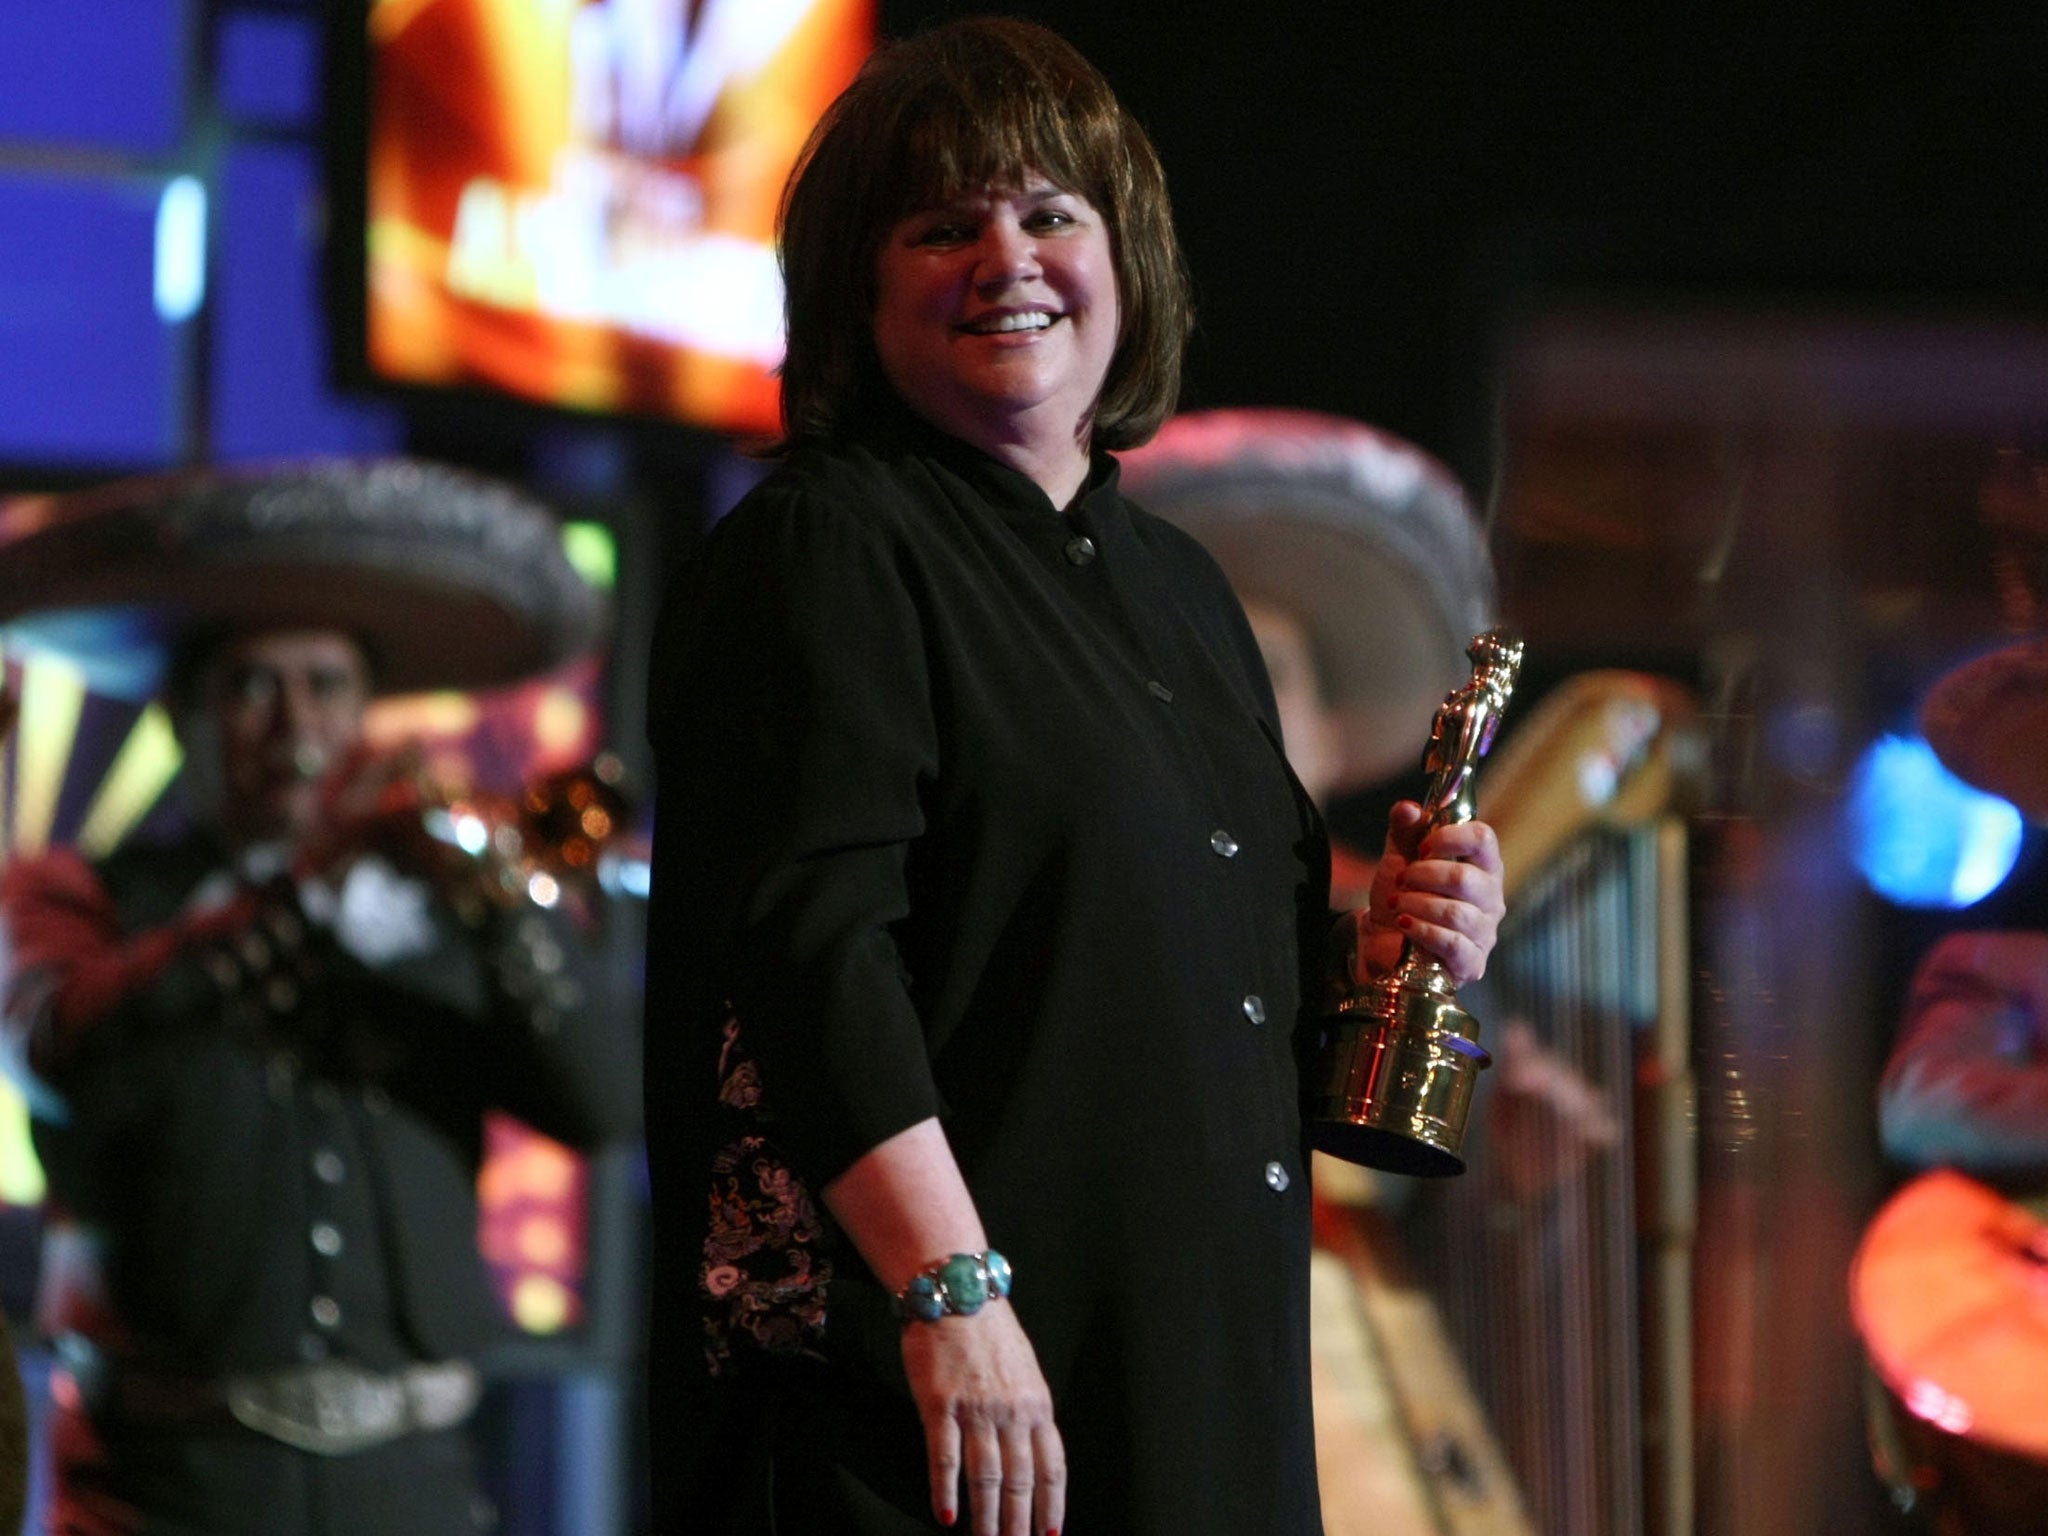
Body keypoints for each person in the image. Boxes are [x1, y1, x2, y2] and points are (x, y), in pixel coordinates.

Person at [641, 20, 1506, 1536]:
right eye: (942, 227)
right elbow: (812, 955)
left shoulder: (1179, 589)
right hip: (946, 1412)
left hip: (1189, 1387)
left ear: (1129, 258)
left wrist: (1390, 961)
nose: (1008, 257)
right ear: (858, 286)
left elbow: (1219, 1008)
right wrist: (951, 1296)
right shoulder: (830, 544)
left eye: (1052, 214)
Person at [0, 460, 640, 1536]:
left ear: (366, 717)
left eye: (327, 686)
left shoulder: (441, 915)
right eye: (254, 687)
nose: (294, 724)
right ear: (184, 719)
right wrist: (305, 900)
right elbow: (64, 1053)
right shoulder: (82, 897)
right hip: (163, 1490)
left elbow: (604, 1105)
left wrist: (496, 901)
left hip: (412, 1488)